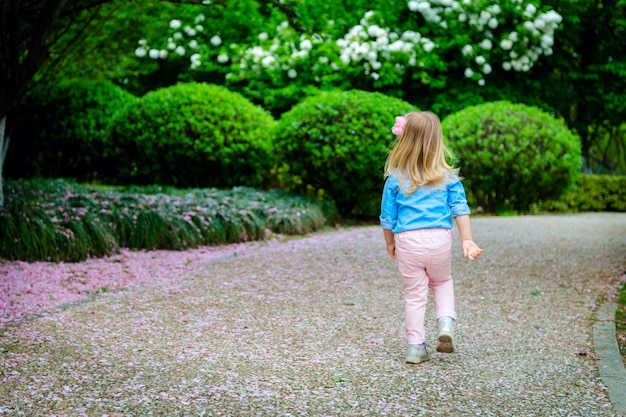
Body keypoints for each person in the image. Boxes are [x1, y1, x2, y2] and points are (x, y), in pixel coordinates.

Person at [380, 111, 482, 364]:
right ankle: (445, 322)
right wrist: (467, 239)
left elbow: (387, 218)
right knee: (442, 281)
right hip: (439, 239)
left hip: (407, 241)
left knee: (414, 295)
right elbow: (460, 208)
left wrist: (390, 243)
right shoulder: (446, 176)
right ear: (437, 142)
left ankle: (416, 347)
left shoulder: (395, 178)